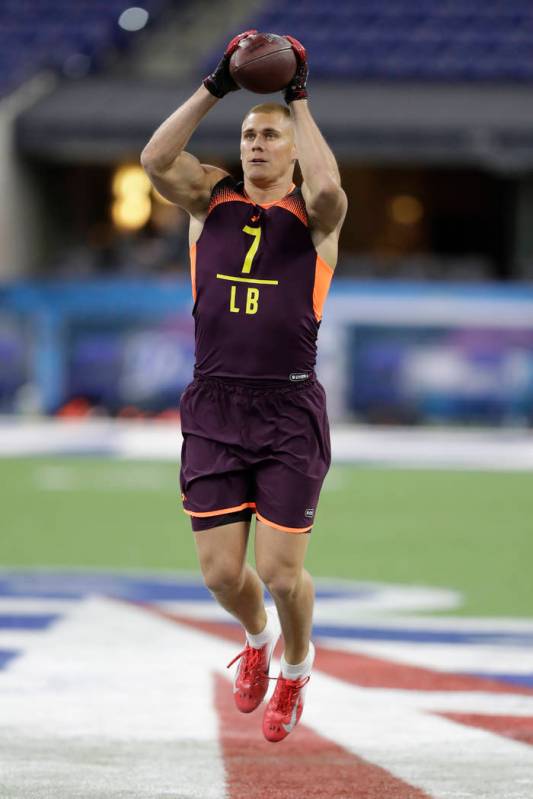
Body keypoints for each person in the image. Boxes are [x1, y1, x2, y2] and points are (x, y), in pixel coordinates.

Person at [141, 30, 347, 742]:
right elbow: (154, 159)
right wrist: (217, 85)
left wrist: (296, 97)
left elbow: (327, 188)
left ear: (291, 148)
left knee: (283, 573)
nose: (256, 143)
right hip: (215, 402)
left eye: (270, 135)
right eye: (249, 134)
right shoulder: (209, 200)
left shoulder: (315, 219)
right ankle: (256, 640)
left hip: (288, 405)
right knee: (224, 577)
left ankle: (295, 665)